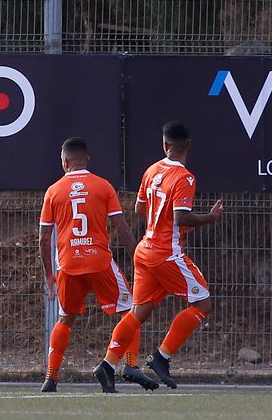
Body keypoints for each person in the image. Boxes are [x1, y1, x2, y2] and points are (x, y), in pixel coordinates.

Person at [93, 121, 223, 392]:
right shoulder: (185, 177)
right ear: (189, 144)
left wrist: (159, 215)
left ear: (164, 145)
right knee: (202, 304)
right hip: (166, 253)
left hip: (145, 249)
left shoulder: (152, 170)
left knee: (138, 312)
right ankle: (162, 357)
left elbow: (141, 207)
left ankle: (107, 365)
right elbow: (181, 217)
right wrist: (210, 217)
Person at [39, 137, 159, 393]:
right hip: (99, 261)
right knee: (130, 311)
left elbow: (43, 238)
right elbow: (122, 228)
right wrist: (140, 260)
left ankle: (51, 378)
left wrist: (49, 274)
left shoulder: (53, 190)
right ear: (88, 160)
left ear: (64, 162)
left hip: (68, 265)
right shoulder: (103, 186)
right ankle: (129, 364)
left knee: (65, 318)